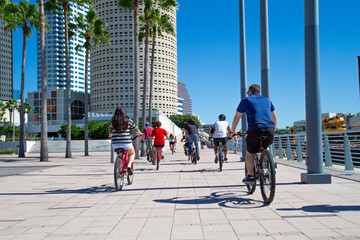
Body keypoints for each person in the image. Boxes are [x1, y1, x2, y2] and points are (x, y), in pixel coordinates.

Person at [231, 84, 277, 184]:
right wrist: (274, 129)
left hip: (255, 129)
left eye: (248, 92)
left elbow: (237, 116)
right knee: (266, 146)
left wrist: (233, 130)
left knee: (250, 152)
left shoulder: (246, 100)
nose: (247, 93)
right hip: (270, 128)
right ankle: (271, 166)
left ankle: (250, 177)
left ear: (251, 91)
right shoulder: (267, 100)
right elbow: (274, 117)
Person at [109, 107, 142, 175]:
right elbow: (135, 128)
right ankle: (129, 166)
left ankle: (119, 170)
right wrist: (139, 133)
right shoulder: (128, 120)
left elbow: (110, 130)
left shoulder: (113, 121)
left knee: (119, 155)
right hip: (126, 143)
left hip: (115, 143)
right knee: (132, 153)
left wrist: (110, 135)